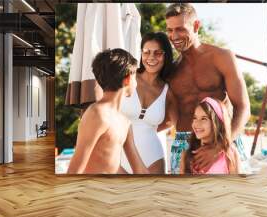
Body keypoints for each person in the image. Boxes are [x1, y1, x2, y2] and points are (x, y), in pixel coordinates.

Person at [165, 3, 250, 174]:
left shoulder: (222, 57)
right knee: (184, 199)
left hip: (224, 139)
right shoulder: (171, 71)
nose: (174, 36)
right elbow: (168, 115)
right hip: (184, 144)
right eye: (170, 30)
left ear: (196, 26)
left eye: (180, 29)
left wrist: (220, 146)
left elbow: (243, 107)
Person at [67, 48, 149, 174]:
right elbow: (75, 170)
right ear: (127, 79)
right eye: (135, 77)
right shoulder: (97, 114)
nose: (136, 82)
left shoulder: (125, 122)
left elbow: (137, 169)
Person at [120, 32, 178, 174]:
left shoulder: (168, 91)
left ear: (166, 56)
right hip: (118, 154)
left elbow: (172, 122)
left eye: (158, 53)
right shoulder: (127, 77)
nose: (151, 57)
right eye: (146, 52)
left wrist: (149, 128)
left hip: (153, 155)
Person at [180, 97, 241, 174]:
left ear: (217, 123)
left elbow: (236, 185)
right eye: (195, 118)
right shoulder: (187, 154)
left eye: (204, 118)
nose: (196, 124)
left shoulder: (230, 154)